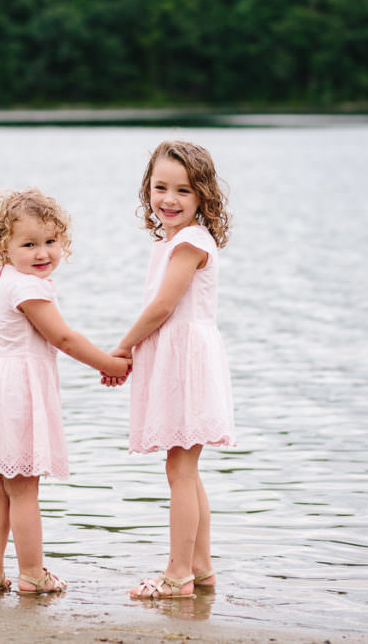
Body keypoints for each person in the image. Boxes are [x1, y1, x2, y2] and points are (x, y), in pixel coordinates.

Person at [0, 188, 131, 596]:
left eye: (51, 242)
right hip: (17, 396)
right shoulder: (30, 289)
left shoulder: (2, 282)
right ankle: (32, 574)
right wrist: (109, 364)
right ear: (4, 246)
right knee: (24, 490)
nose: (43, 253)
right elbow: (64, 338)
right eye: (29, 244)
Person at [103, 140, 235, 599]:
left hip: (188, 362)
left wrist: (122, 348)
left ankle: (177, 573)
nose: (169, 199)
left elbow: (162, 306)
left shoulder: (192, 242)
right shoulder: (172, 241)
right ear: (148, 189)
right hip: (177, 356)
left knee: (181, 467)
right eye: (160, 187)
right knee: (183, 467)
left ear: (203, 196)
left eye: (183, 189)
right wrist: (141, 353)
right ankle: (200, 568)